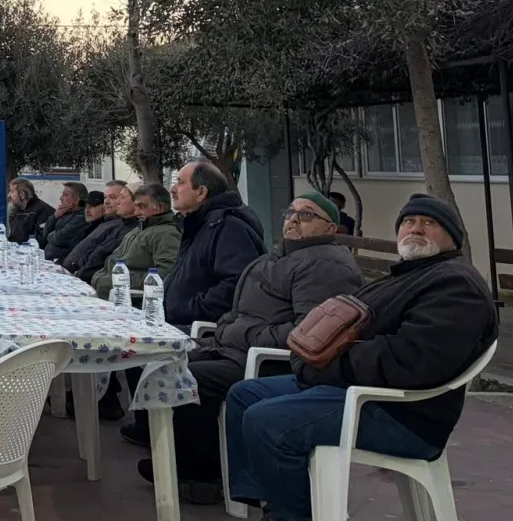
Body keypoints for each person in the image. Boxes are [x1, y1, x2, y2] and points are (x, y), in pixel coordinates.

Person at [223, 195, 496, 521]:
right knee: (245, 394)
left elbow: (412, 359)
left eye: (428, 223)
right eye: (408, 221)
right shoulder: (411, 274)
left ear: (452, 237)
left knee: (265, 419)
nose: (415, 228)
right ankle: (283, 508)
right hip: (360, 392)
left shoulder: (455, 285)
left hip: (403, 414)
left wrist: (326, 366)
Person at [129, 192, 364, 498]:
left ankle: (203, 475)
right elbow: (238, 311)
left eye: (307, 215)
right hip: (234, 348)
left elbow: (311, 332)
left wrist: (243, 335)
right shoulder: (276, 258)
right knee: (164, 357)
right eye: (291, 212)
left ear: (330, 228)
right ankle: (173, 454)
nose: (294, 220)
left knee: (190, 377)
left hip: (271, 363)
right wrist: (224, 331)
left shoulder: (325, 265)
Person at [165, 160, 267, 327]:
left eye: (180, 182)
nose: (173, 189)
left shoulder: (228, 227)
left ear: (201, 192)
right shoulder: (199, 225)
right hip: (180, 324)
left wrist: (188, 311)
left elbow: (236, 284)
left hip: (203, 332)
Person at [91, 183, 181, 301]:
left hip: (129, 302)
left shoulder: (167, 234)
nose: (136, 212)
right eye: (136, 206)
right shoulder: (139, 230)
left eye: (142, 206)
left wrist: (122, 281)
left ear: (159, 207)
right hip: (107, 295)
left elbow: (166, 275)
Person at [63, 182, 139, 282]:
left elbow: (104, 260)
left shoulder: (125, 227)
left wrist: (79, 274)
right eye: (105, 197)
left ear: (137, 203)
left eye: (113, 197)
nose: (106, 202)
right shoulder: (113, 224)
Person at [41, 182, 91, 261]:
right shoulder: (65, 212)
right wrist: (55, 216)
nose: (61, 198)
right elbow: (45, 233)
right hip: (49, 259)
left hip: (62, 261)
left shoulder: (82, 217)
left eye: (65, 195)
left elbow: (60, 238)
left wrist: (51, 234)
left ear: (77, 200)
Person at [7, 178, 56, 243]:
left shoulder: (43, 211)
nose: (9, 195)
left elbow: (44, 241)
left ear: (22, 194)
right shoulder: (17, 209)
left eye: (12, 191)